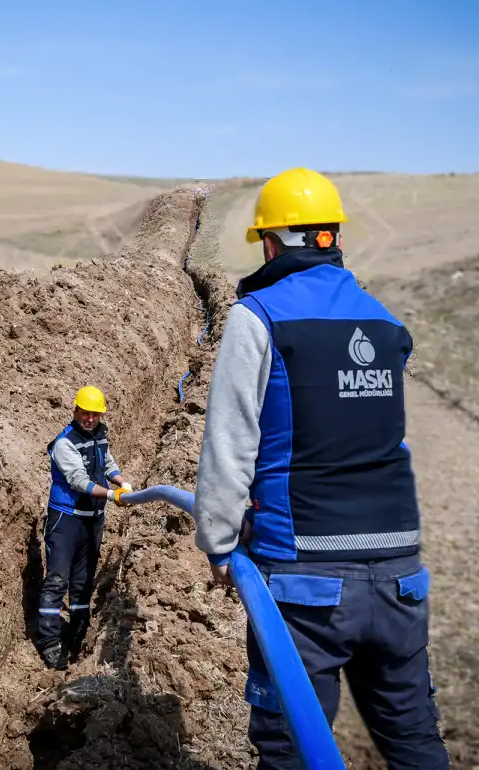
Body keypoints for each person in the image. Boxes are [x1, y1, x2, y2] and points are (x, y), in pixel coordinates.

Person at [190, 168, 450, 769]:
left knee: (291, 747)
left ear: (272, 242)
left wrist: (221, 543)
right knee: (414, 741)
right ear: (331, 236)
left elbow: (230, 443)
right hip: (400, 574)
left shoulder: (258, 317)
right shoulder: (385, 323)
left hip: (306, 582)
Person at [37, 385, 134, 671]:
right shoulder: (64, 443)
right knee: (57, 581)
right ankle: (50, 642)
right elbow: (79, 480)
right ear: (75, 410)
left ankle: (78, 634)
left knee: (83, 580)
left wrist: (120, 481)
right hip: (66, 519)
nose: (90, 419)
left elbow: (107, 463)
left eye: (95, 414)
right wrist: (111, 495)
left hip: (92, 518)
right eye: (85, 413)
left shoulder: (100, 435)